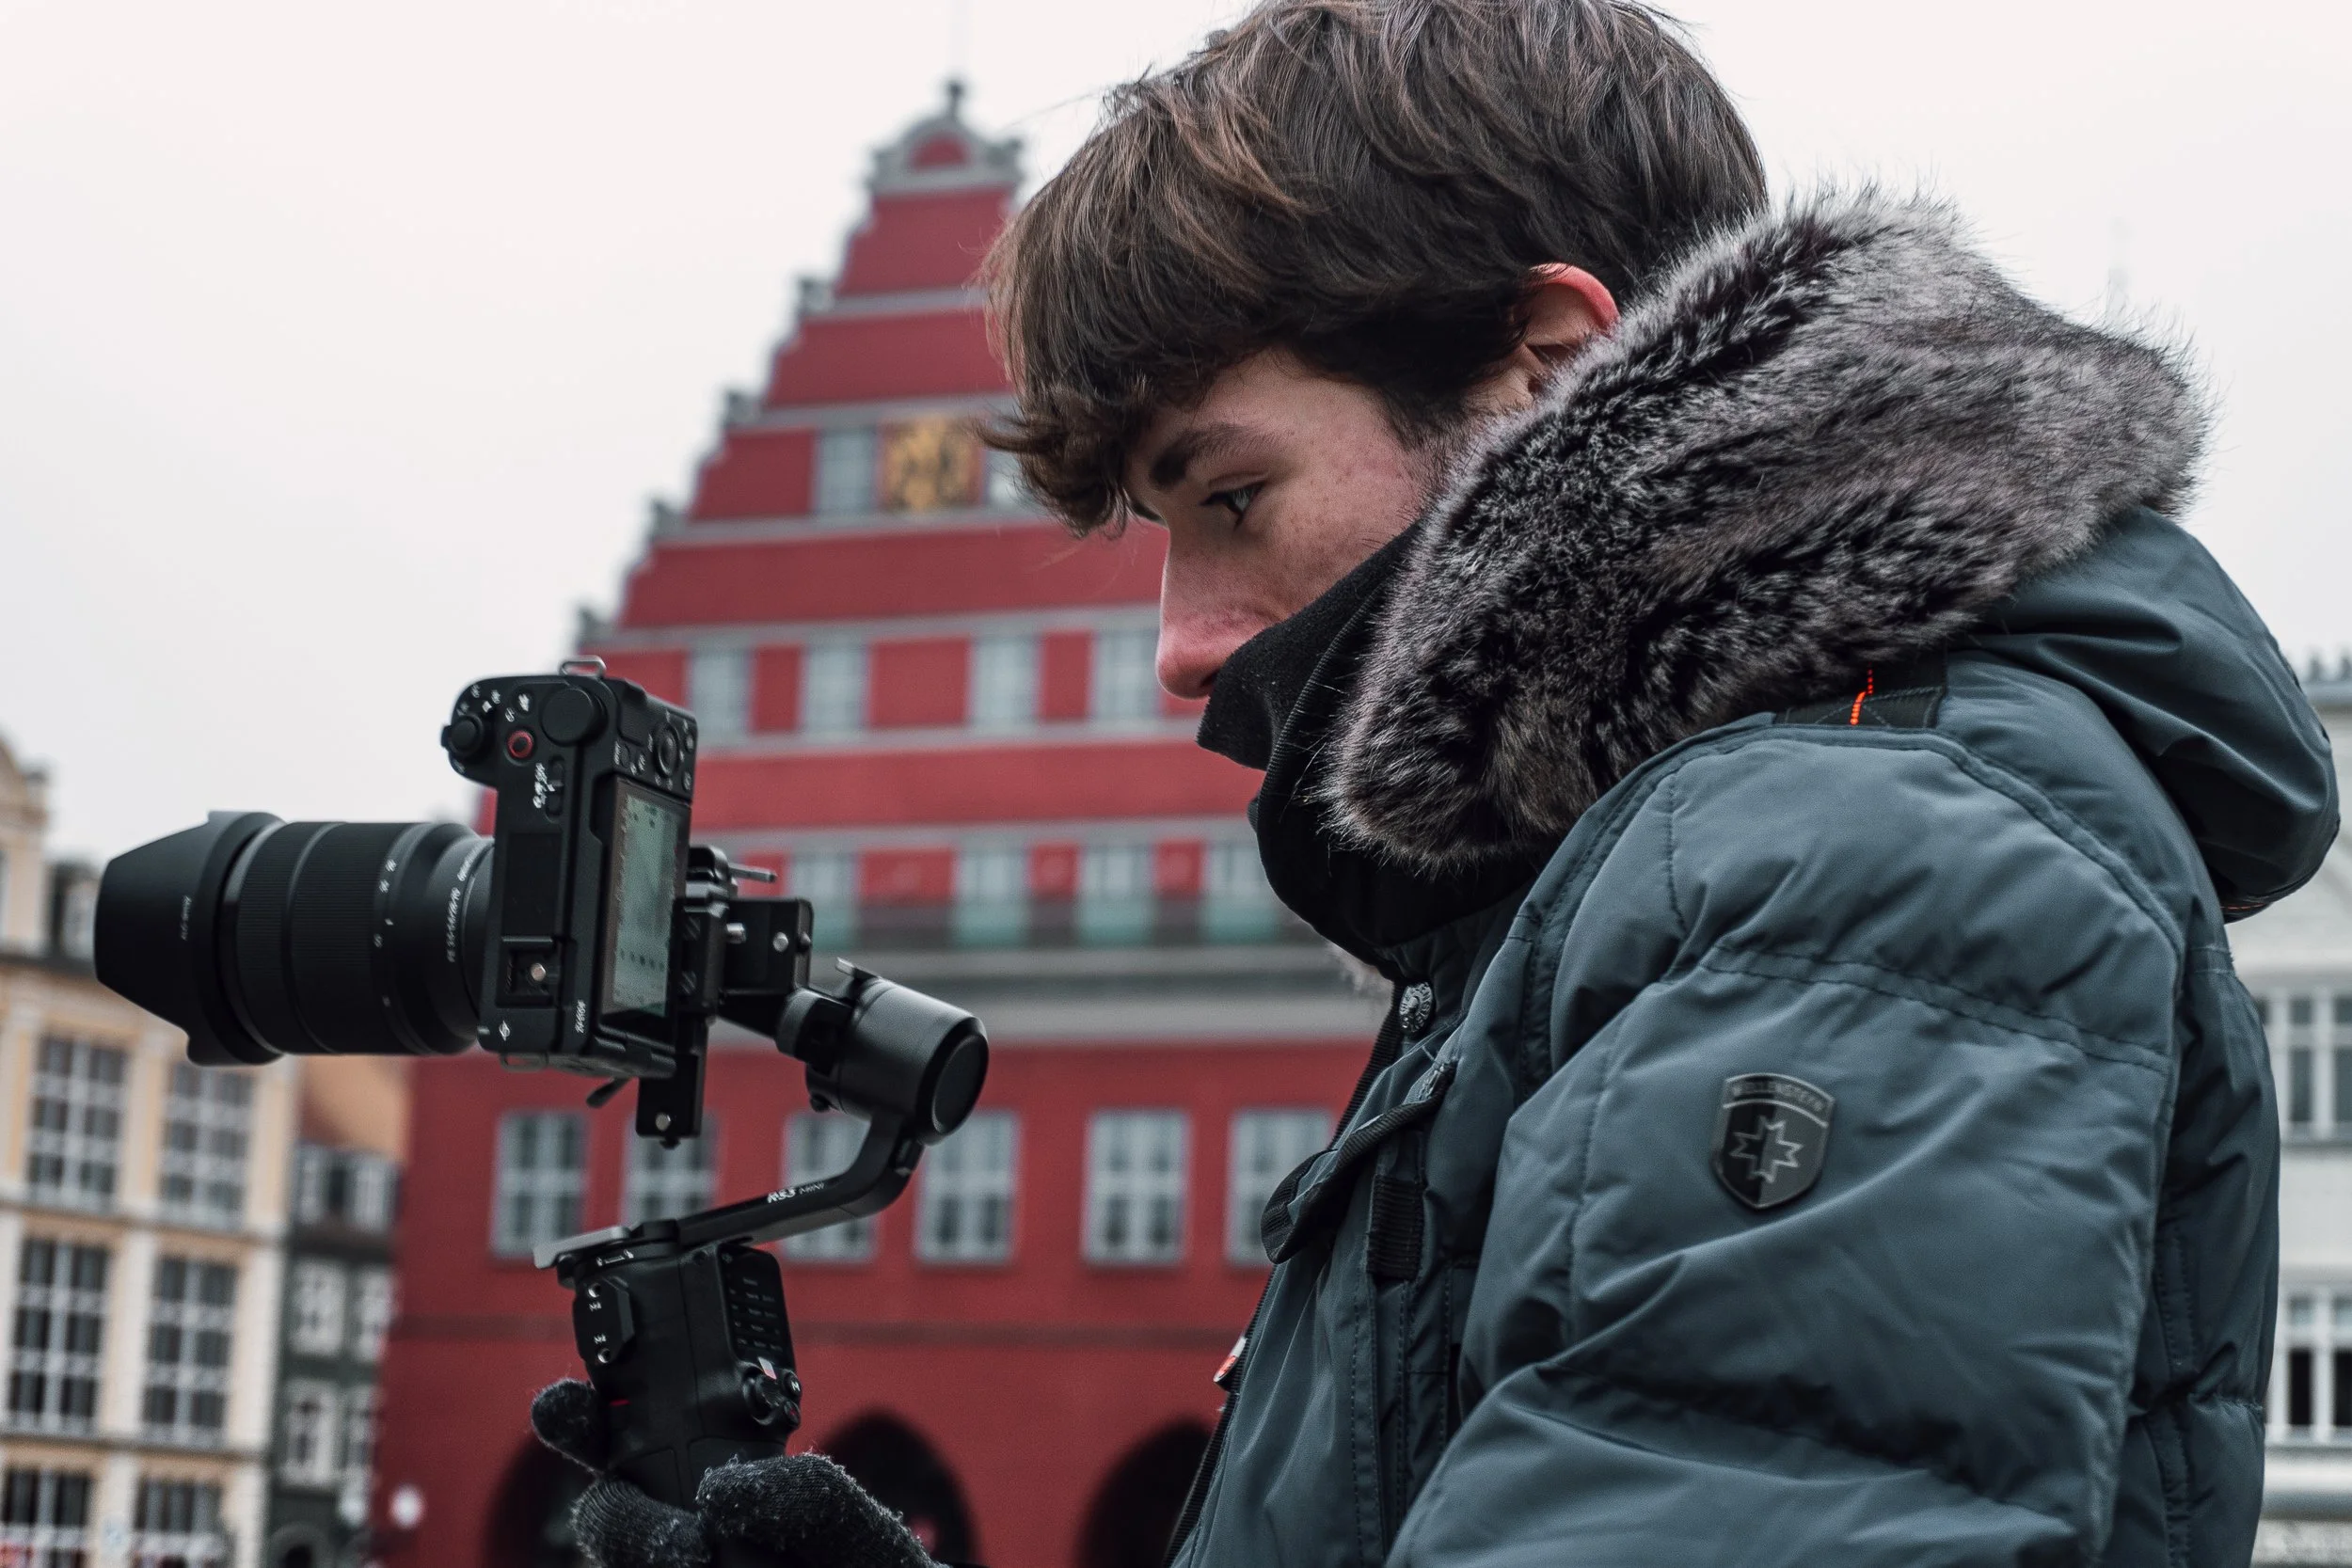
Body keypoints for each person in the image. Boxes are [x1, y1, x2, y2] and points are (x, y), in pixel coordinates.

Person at [534, 2, 2337, 1563]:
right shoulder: (1662, 856)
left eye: (1227, 496)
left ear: (1546, 367)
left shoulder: (1858, 859)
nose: (1177, 647)